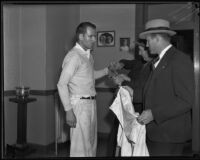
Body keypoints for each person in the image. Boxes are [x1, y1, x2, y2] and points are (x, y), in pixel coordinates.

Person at [137, 19, 195, 156]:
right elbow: (156, 91)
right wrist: (132, 93)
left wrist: (153, 114)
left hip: (169, 135)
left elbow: (186, 100)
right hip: (158, 133)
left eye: (148, 40)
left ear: (157, 38)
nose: (146, 44)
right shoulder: (159, 60)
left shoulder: (179, 60)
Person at [57, 22, 112, 157]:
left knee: (91, 145)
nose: (94, 39)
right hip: (79, 106)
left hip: (90, 104)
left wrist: (107, 70)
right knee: (80, 149)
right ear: (81, 36)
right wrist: (69, 111)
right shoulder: (74, 56)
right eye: (91, 36)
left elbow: (90, 75)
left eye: (94, 36)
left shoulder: (87, 56)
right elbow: (62, 84)